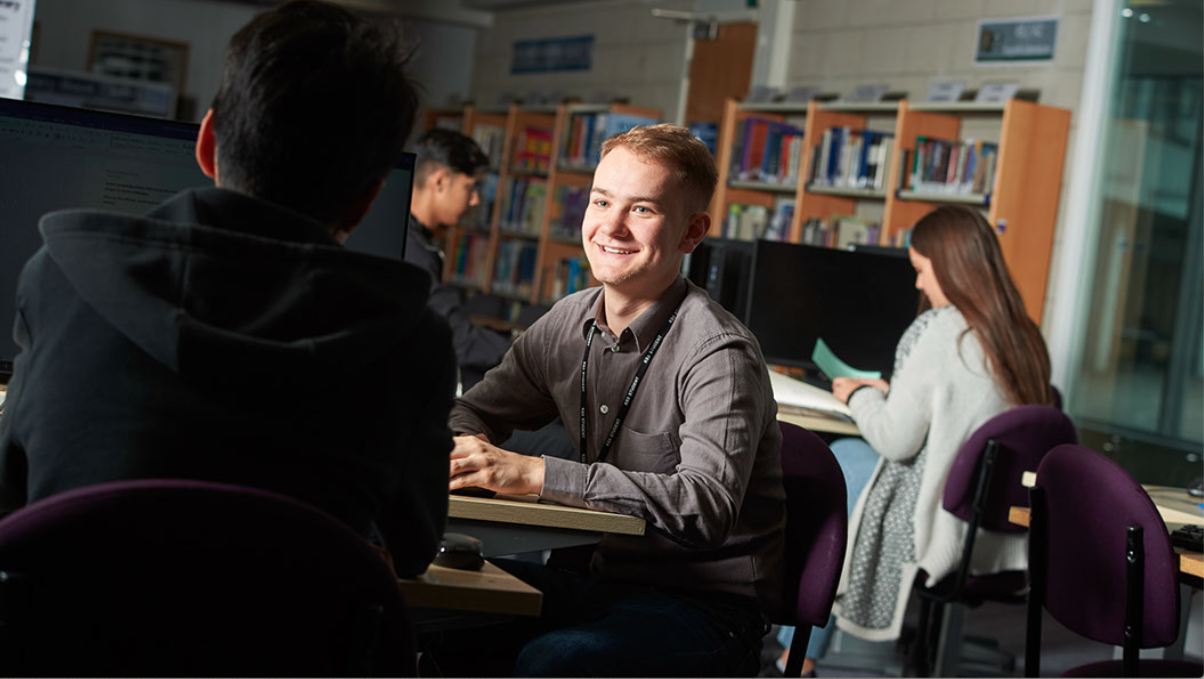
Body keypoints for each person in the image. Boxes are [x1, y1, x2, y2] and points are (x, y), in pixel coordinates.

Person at [0, 0, 455, 578]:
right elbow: (413, 549)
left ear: (208, 142)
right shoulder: (415, 343)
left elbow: (14, 492)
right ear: (369, 198)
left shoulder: (56, 277)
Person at [442, 123, 785, 677]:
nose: (611, 226)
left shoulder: (719, 352)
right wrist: (469, 447)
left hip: (704, 609)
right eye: (601, 201)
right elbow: (474, 410)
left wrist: (533, 473)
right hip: (598, 580)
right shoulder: (566, 322)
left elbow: (704, 508)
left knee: (552, 661)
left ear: (691, 233)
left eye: (642, 210)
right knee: (437, 599)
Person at [776, 205, 1055, 675]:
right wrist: (894, 392)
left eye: (921, 271)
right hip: (996, 523)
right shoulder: (1022, 334)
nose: (919, 285)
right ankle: (795, 651)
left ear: (949, 266)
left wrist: (862, 396)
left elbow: (895, 440)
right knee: (850, 465)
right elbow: (966, 408)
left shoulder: (941, 328)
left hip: (942, 519)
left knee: (839, 463)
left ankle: (796, 653)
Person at [406, 128, 511, 391]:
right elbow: (459, 341)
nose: (475, 200)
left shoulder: (410, 238)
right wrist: (534, 350)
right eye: (471, 186)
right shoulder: (413, 250)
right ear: (440, 180)